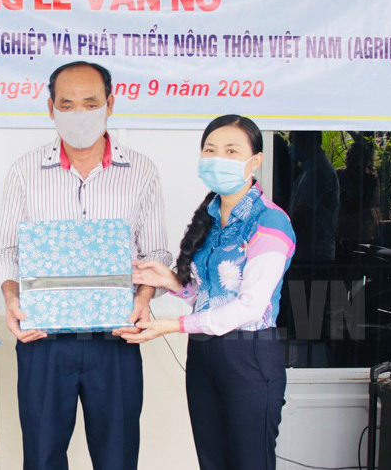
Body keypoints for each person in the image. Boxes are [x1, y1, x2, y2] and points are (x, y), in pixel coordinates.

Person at [0, 60, 171, 470]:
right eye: (67, 105)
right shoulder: (25, 171)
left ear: (110, 104)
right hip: (43, 336)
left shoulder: (141, 171)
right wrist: (12, 298)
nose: (79, 115)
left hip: (116, 335)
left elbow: (158, 253)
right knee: (42, 455)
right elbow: (6, 250)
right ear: (50, 107)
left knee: (117, 455)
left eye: (90, 104)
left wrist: (143, 298)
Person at [126, 115, 296, 470]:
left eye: (231, 151)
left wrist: (173, 326)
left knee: (249, 463)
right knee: (212, 461)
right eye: (210, 150)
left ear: (255, 160)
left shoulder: (270, 221)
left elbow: (249, 307)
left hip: (248, 355)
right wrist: (170, 281)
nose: (218, 158)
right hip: (204, 355)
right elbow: (209, 295)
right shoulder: (212, 218)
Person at [287, 131, 339, 262]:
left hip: (315, 253)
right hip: (309, 250)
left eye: (293, 142)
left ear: (307, 141)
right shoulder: (308, 168)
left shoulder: (318, 171)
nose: (291, 147)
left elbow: (303, 214)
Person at [336, 135, 380, 254]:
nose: (353, 161)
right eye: (351, 156)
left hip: (364, 229)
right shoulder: (339, 175)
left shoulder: (370, 179)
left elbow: (369, 203)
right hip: (342, 228)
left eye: (357, 158)